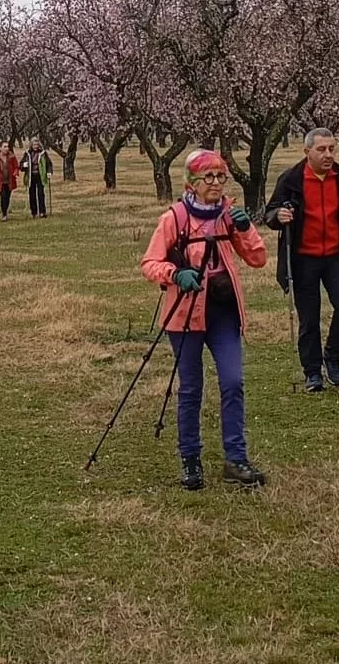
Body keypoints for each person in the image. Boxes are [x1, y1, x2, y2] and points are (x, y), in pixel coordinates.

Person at [140, 150, 269, 490]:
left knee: (233, 382)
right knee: (191, 389)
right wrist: (175, 273)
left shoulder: (230, 216)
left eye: (220, 176)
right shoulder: (175, 218)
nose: (215, 183)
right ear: (191, 183)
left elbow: (257, 259)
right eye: (207, 178)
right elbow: (150, 262)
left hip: (223, 312)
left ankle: (236, 459)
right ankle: (190, 460)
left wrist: (246, 228)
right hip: (184, 316)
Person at [263, 127, 339, 392]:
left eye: (332, 148)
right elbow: (270, 213)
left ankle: (333, 355)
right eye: (321, 149)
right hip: (303, 258)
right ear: (307, 152)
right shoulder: (291, 179)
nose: (328, 155)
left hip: (337, 256)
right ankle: (312, 372)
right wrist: (278, 216)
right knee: (309, 318)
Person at [20, 136, 54, 218]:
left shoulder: (43, 153)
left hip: (40, 175)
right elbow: (21, 165)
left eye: (37, 145)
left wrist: (49, 172)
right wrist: (24, 165)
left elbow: (49, 164)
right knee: (32, 194)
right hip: (31, 176)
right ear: (31, 145)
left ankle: (42, 212)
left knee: (41, 193)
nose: (35, 146)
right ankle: (34, 212)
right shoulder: (27, 153)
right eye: (34, 145)